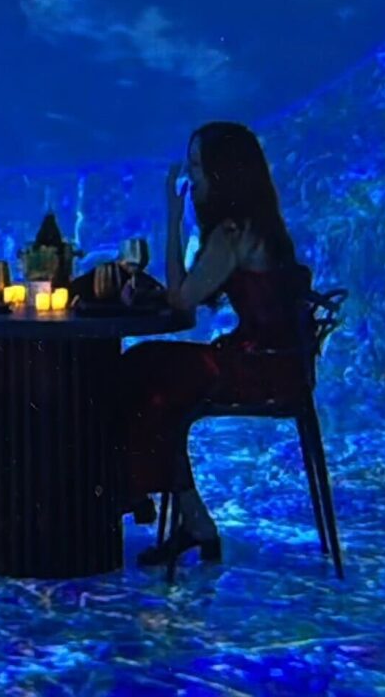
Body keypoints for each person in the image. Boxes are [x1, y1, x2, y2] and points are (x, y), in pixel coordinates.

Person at [119, 120, 312, 568]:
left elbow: (181, 300)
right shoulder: (261, 225)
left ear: (223, 172)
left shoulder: (231, 232)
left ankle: (137, 492)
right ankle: (167, 506)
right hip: (278, 365)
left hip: (255, 368)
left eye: (197, 167)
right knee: (147, 368)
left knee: (140, 370)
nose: (192, 178)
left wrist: (173, 215)